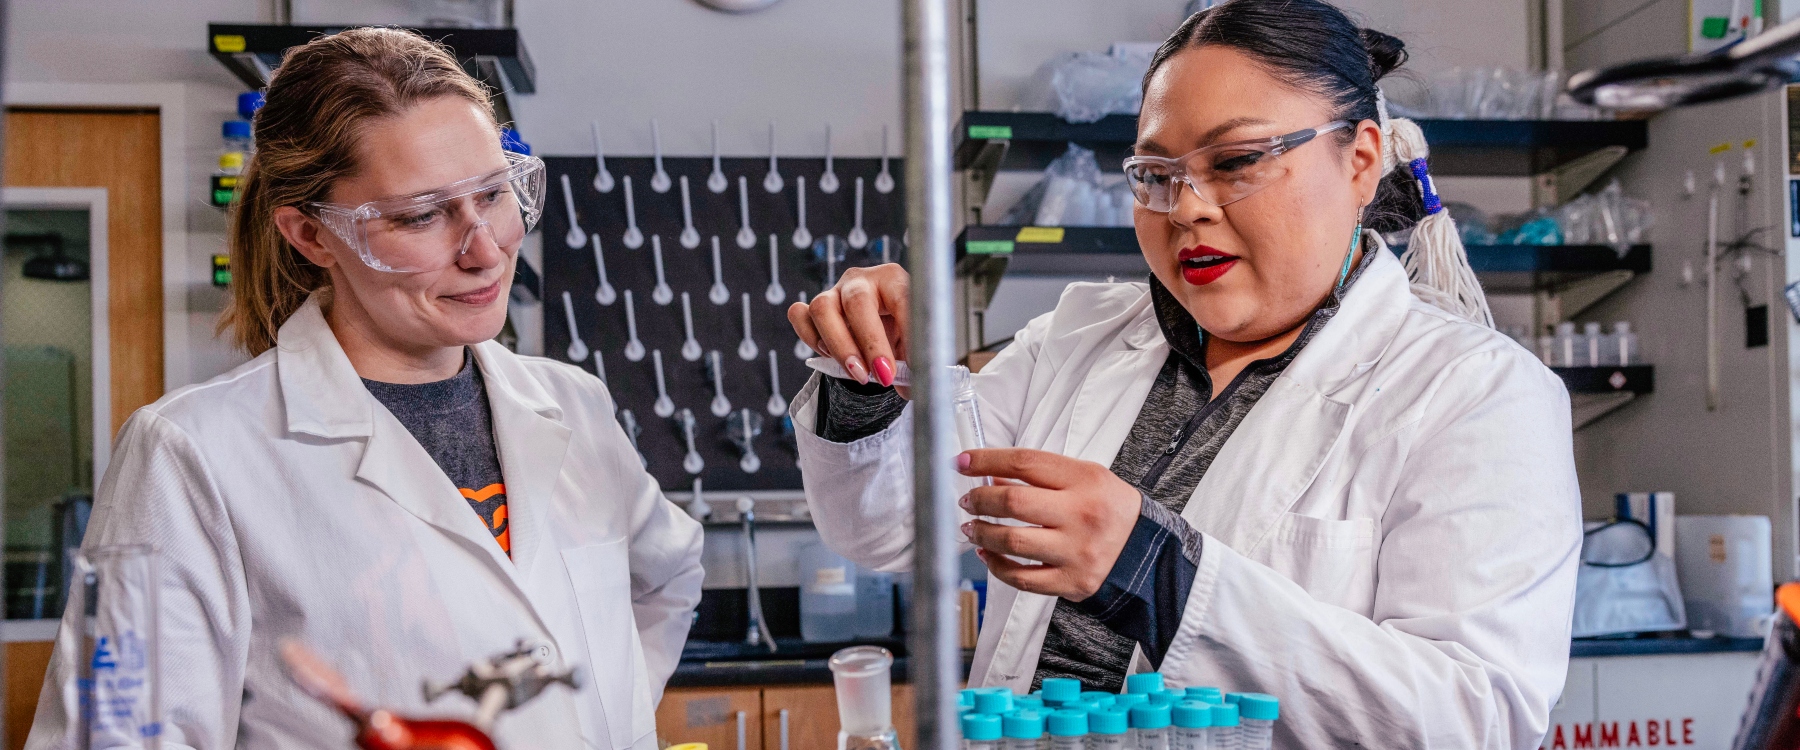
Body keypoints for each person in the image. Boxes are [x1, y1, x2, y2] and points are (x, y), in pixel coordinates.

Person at [786, 1, 1580, 747]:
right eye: (1158, 174)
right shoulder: (1079, 337)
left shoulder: (1476, 394)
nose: (1188, 208)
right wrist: (865, 384)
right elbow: (889, 526)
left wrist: (1156, 572)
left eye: (1237, 162)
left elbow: (1474, 718)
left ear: (1361, 160)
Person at [25, 28, 702, 750]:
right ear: (312, 236)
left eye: (494, 193)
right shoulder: (193, 454)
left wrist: (593, 719)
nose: (484, 249)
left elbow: (665, 579)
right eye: (421, 215)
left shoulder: (573, 403)